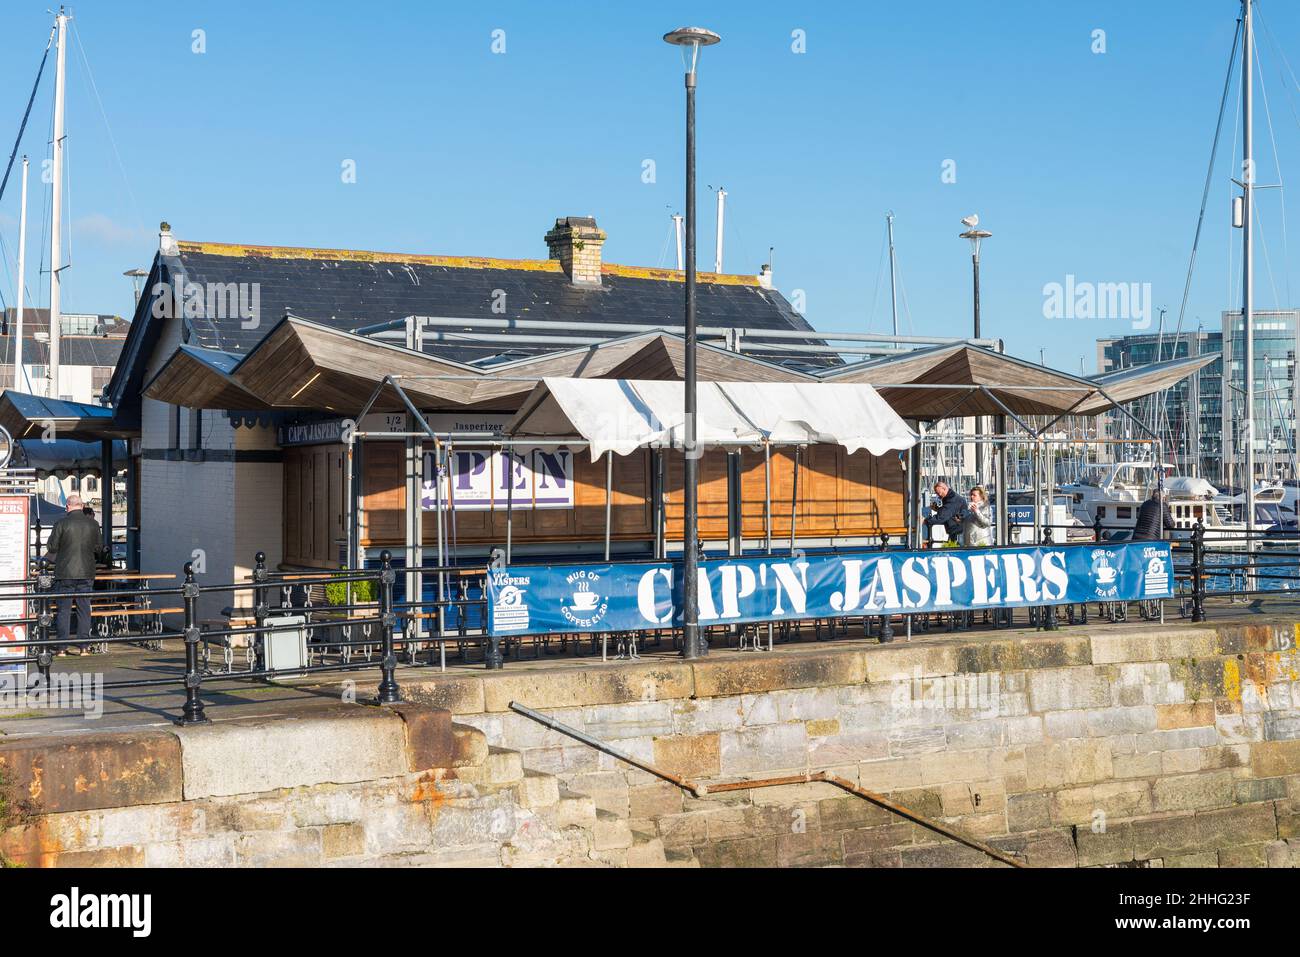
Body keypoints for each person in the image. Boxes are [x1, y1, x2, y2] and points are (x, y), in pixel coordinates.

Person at [43, 494, 107, 656]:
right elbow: (98, 548)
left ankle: (62, 647)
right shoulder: (93, 524)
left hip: (65, 572)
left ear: (67, 506)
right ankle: (84, 647)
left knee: (64, 610)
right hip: (86, 571)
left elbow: (52, 546)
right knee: (84, 609)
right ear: (82, 505)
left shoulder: (61, 523)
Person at [923, 479, 968, 547]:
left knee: (956, 549)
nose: (939, 495)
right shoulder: (950, 498)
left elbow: (943, 516)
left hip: (958, 531)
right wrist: (938, 509)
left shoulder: (952, 499)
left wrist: (926, 521)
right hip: (956, 530)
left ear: (944, 488)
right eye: (937, 493)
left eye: (939, 493)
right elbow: (949, 512)